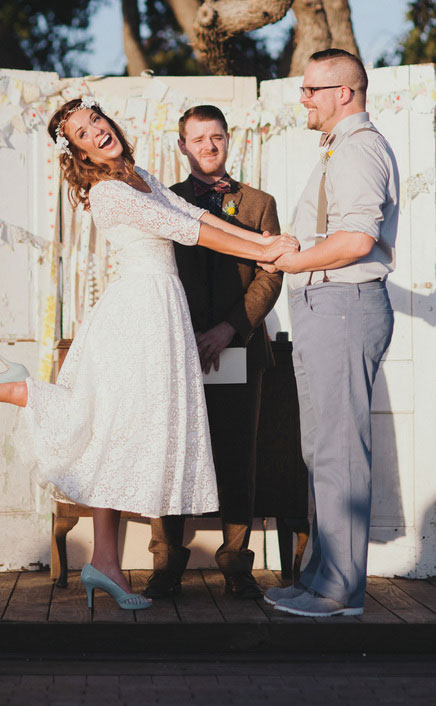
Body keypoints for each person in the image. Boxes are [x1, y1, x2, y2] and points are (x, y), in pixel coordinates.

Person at [0, 95, 297, 613]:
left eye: (96, 119)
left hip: (161, 312)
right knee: (111, 428)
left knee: (123, 434)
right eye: (82, 132)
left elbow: (192, 212)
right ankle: (24, 390)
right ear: (78, 153)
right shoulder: (109, 192)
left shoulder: (140, 177)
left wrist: (265, 242)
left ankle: (106, 563)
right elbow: (193, 231)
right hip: (138, 313)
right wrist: (265, 250)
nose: (96, 130)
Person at [263, 49, 399, 618]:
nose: (304, 99)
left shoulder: (360, 148)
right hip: (325, 306)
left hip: (344, 304)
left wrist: (294, 262)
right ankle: (319, 577)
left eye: (312, 89)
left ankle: (341, 593)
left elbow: (356, 240)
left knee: (340, 453)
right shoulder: (338, 151)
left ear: (345, 91)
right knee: (321, 450)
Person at [144, 105, 283, 600]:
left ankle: (237, 566)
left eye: (216, 137)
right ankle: (165, 565)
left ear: (229, 140)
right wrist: (182, 335)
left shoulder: (259, 203)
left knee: (236, 456)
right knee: (172, 455)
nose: (208, 146)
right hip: (176, 350)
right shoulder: (163, 200)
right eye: (197, 139)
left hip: (239, 347)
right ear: (181, 146)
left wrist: (229, 329)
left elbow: (272, 274)